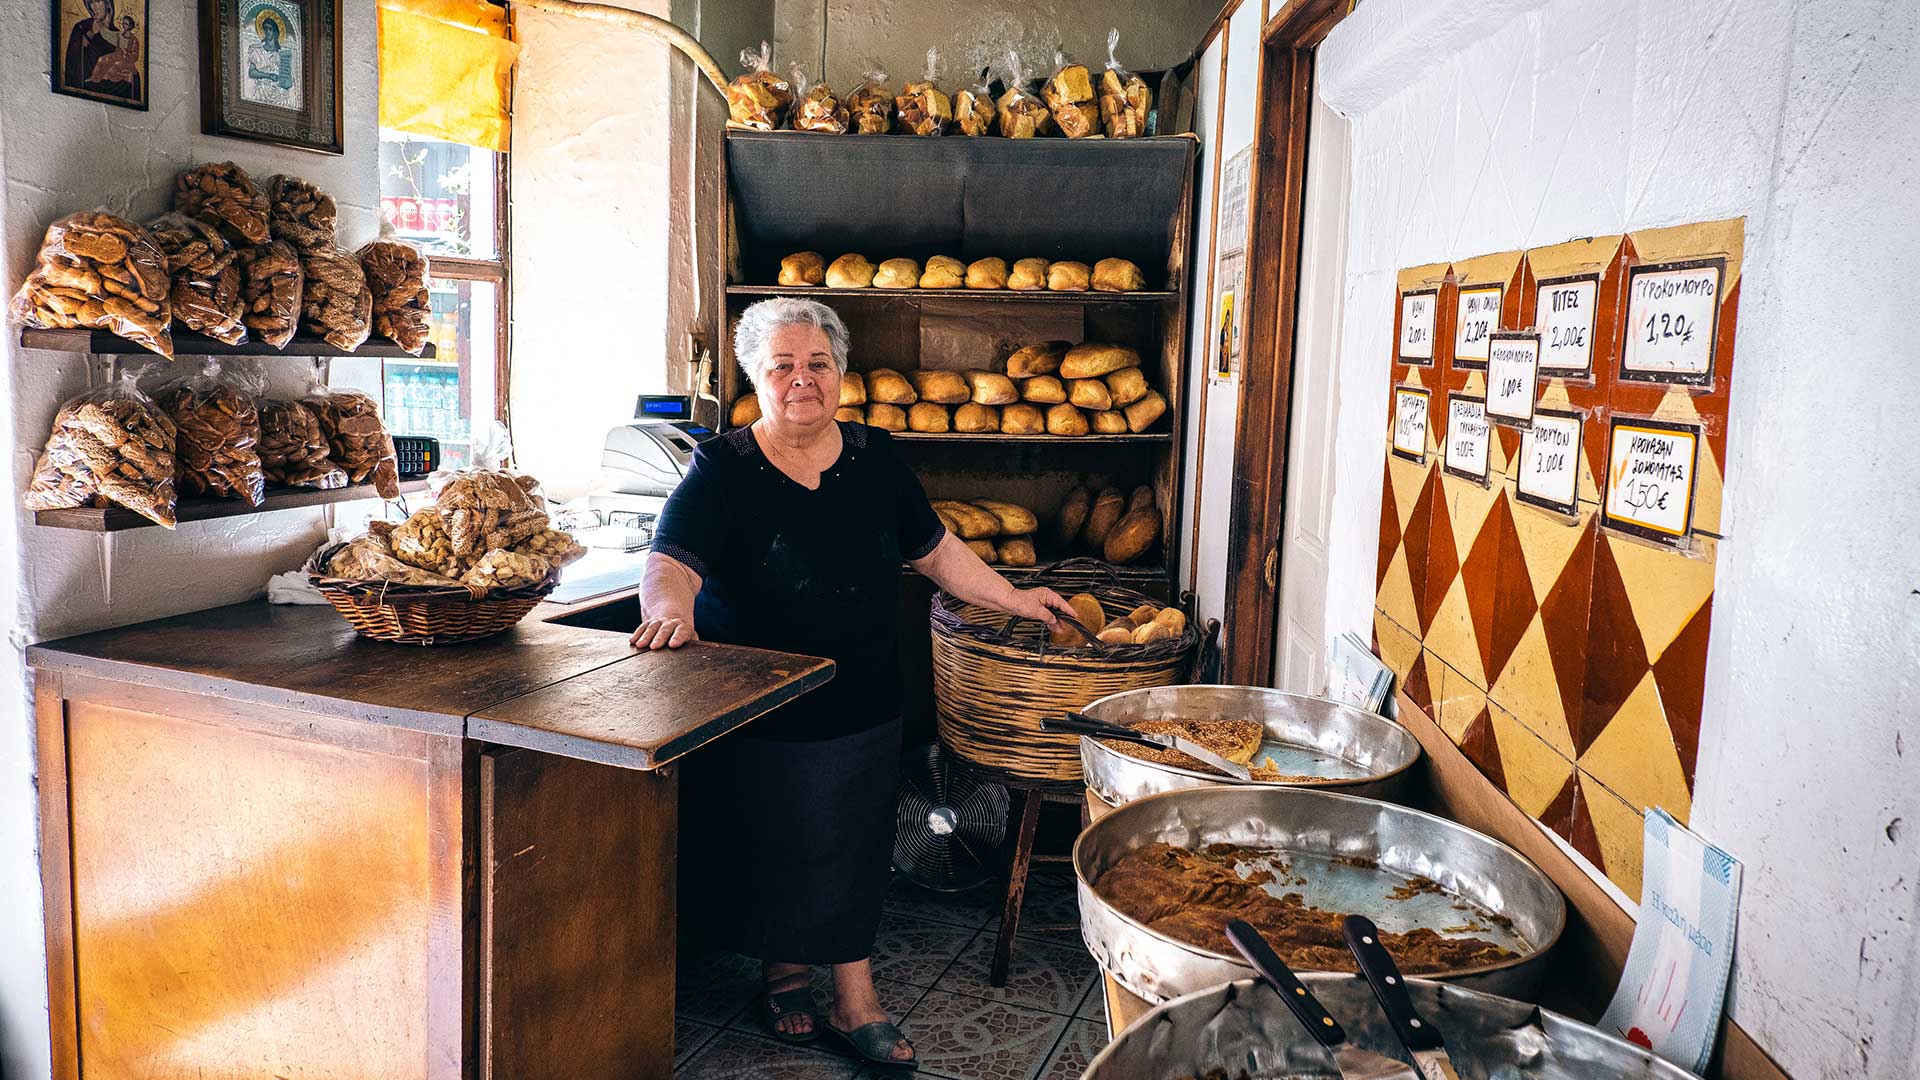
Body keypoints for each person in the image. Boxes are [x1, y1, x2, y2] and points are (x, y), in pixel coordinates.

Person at [634, 297, 1073, 1068]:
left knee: (854, 847)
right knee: (772, 841)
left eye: (818, 364)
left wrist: (1014, 596)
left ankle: (855, 999)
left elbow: (935, 551)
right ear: (755, 379)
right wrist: (671, 613)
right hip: (761, 697)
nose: (802, 379)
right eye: (782, 366)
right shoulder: (723, 467)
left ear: (841, 373)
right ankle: (783, 975)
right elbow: (671, 559)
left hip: (862, 690)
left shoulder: (875, 456)